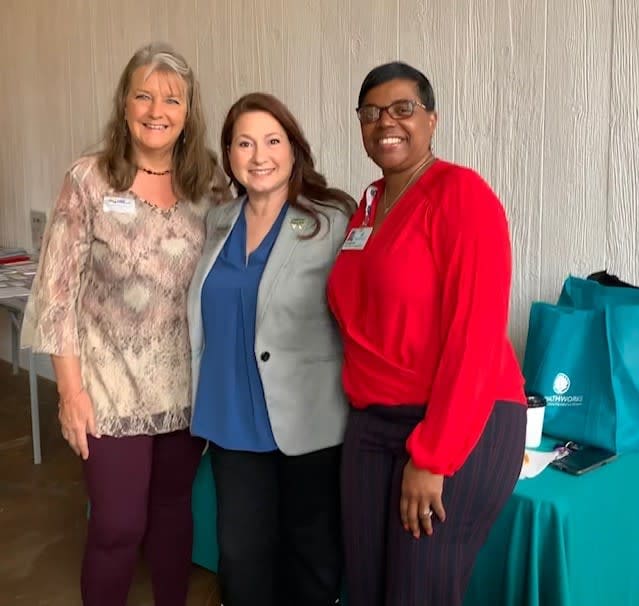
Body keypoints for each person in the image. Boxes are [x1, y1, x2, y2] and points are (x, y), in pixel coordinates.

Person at [21, 42, 226, 606]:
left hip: (185, 385)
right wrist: (70, 393)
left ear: (189, 110)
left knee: (173, 513)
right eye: (144, 96)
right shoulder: (89, 179)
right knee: (117, 524)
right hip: (108, 387)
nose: (157, 110)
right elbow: (57, 293)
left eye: (172, 99)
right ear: (124, 103)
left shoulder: (209, 183)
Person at [327, 61, 527, 606]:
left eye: (403, 108)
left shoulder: (462, 195)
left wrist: (435, 455)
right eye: (371, 112)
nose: (386, 122)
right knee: (365, 588)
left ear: (431, 120)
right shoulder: (369, 204)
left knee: (418, 592)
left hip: (459, 420)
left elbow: (476, 337)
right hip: (373, 422)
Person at [187, 92, 355, 606]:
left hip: (308, 418)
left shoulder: (331, 221)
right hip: (232, 418)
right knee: (241, 559)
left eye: (272, 141)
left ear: (293, 148)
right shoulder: (218, 221)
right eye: (245, 143)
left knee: (311, 558)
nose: (259, 156)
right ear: (229, 155)